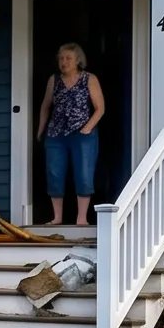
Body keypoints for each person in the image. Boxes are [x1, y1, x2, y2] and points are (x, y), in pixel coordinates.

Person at [36, 41, 107, 226]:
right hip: (56, 133)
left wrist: (88, 127)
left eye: (68, 58)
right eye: (61, 58)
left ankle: (81, 219)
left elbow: (100, 108)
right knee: (55, 173)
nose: (64, 62)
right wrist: (41, 130)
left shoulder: (89, 79)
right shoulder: (54, 80)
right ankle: (57, 218)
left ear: (78, 61)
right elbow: (45, 106)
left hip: (83, 133)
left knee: (84, 173)